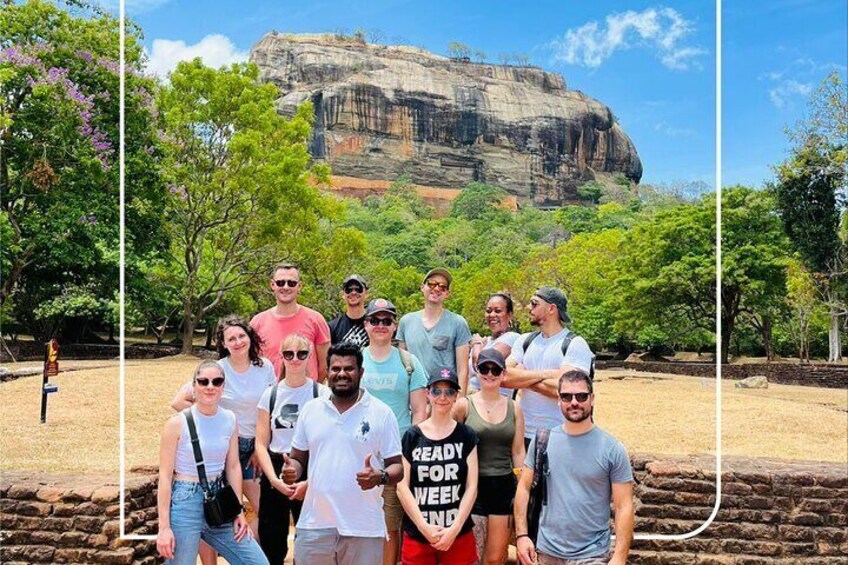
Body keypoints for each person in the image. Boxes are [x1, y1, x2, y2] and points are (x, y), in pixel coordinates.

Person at [282, 342, 404, 565]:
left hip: (364, 527)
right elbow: (298, 458)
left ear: (361, 372)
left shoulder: (381, 413)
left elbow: (398, 467)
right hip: (314, 525)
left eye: (349, 368)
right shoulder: (311, 410)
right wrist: (292, 470)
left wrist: (380, 477)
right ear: (327, 372)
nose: (342, 374)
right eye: (335, 369)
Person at [170, 316, 275, 564]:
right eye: (231, 338)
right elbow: (178, 400)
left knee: (264, 512)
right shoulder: (217, 371)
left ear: (250, 337)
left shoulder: (265, 367)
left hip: (252, 447)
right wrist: (207, 425)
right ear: (223, 343)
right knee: (210, 508)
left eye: (241, 336)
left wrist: (261, 447)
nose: (237, 342)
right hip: (221, 450)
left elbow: (270, 407)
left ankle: (243, 551)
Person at [514, 371, 634, 565]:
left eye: (581, 396)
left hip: (591, 554)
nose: (574, 402)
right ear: (558, 400)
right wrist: (522, 535)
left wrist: (619, 557)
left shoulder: (612, 449)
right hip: (547, 551)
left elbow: (624, 506)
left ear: (592, 399)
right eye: (567, 396)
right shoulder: (543, 441)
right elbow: (524, 488)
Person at [156, 360, 269, 565]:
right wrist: (164, 528)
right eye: (203, 381)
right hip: (185, 499)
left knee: (256, 561)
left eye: (217, 382)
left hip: (220, 499)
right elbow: (164, 477)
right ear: (194, 386)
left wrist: (238, 510)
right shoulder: (176, 424)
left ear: (223, 387)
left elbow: (233, 466)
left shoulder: (229, 419)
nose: (210, 387)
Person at [360, 298, 429, 565]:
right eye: (375, 320)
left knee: (391, 524)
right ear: (366, 324)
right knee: (357, 521)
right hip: (360, 453)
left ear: (394, 326)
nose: (380, 326)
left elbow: (419, 412)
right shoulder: (356, 361)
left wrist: (409, 452)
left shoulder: (410, 363)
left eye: (386, 321)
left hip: (395, 457)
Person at [254, 334, 329, 564]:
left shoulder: (322, 394)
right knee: (271, 538)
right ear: (282, 357)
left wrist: (311, 480)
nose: (295, 359)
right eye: (289, 354)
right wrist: (273, 480)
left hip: (310, 466)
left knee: (309, 538)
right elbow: (260, 442)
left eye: (301, 354)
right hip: (277, 465)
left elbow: (328, 440)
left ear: (310, 357)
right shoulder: (271, 394)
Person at [396, 368, 479, 565]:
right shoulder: (412, 436)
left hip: (457, 534)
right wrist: (424, 527)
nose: (443, 397)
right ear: (427, 394)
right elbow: (402, 486)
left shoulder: (466, 435)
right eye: (436, 391)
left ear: (456, 396)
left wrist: (454, 528)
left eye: (449, 392)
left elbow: (472, 487)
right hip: (419, 534)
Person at [453, 349, 525, 565]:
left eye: (496, 369)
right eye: (485, 368)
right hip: (471, 487)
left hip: (502, 487)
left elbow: (518, 451)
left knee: (495, 558)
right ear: (477, 370)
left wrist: (523, 487)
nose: (490, 374)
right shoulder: (464, 405)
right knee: (470, 555)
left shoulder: (514, 408)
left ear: (503, 373)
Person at [502, 286, 594, 448]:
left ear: (552, 309)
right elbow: (503, 376)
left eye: (534, 304)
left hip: (562, 435)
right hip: (523, 434)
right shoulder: (524, 341)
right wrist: (549, 374)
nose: (528, 308)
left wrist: (522, 378)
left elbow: (563, 391)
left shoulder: (575, 344)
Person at [250, 263, 331, 382]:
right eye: (280, 283)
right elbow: (250, 362)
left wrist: (312, 389)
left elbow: (324, 364)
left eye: (291, 283)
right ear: (272, 285)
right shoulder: (257, 322)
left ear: (299, 286)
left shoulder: (316, 320)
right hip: (269, 395)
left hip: (307, 396)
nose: (286, 287)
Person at [397, 267, 473, 394]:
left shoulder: (458, 323)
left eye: (442, 287)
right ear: (422, 287)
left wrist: (460, 401)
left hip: (444, 395)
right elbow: (402, 365)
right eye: (431, 283)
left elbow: (462, 369)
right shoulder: (406, 321)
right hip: (415, 394)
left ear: (447, 293)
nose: (436, 288)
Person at [467, 292, 521, 396]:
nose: (492, 315)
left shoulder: (513, 338)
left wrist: (476, 344)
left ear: (509, 315)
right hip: (472, 397)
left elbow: (482, 362)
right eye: (488, 311)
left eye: (498, 311)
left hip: (494, 400)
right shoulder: (485, 340)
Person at [328, 274, 371, 347]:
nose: (353, 293)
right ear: (343, 294)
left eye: (358, 289)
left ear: (366, 293)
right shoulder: (332, 327)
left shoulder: (375, 324)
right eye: (348, 289)